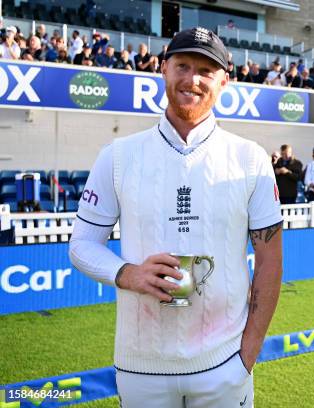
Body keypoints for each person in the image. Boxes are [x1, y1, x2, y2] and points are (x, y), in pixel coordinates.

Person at [69, 27, 283, 408]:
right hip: (141, 367)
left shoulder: (250, 158)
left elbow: (269, 261)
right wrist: (127, 273)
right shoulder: (117, 156)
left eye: (206, 70)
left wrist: (247, 355)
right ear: (163, 69)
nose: (193, 79)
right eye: (183, 65)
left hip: (224, 363)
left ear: (224, 82)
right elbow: (82, 245)